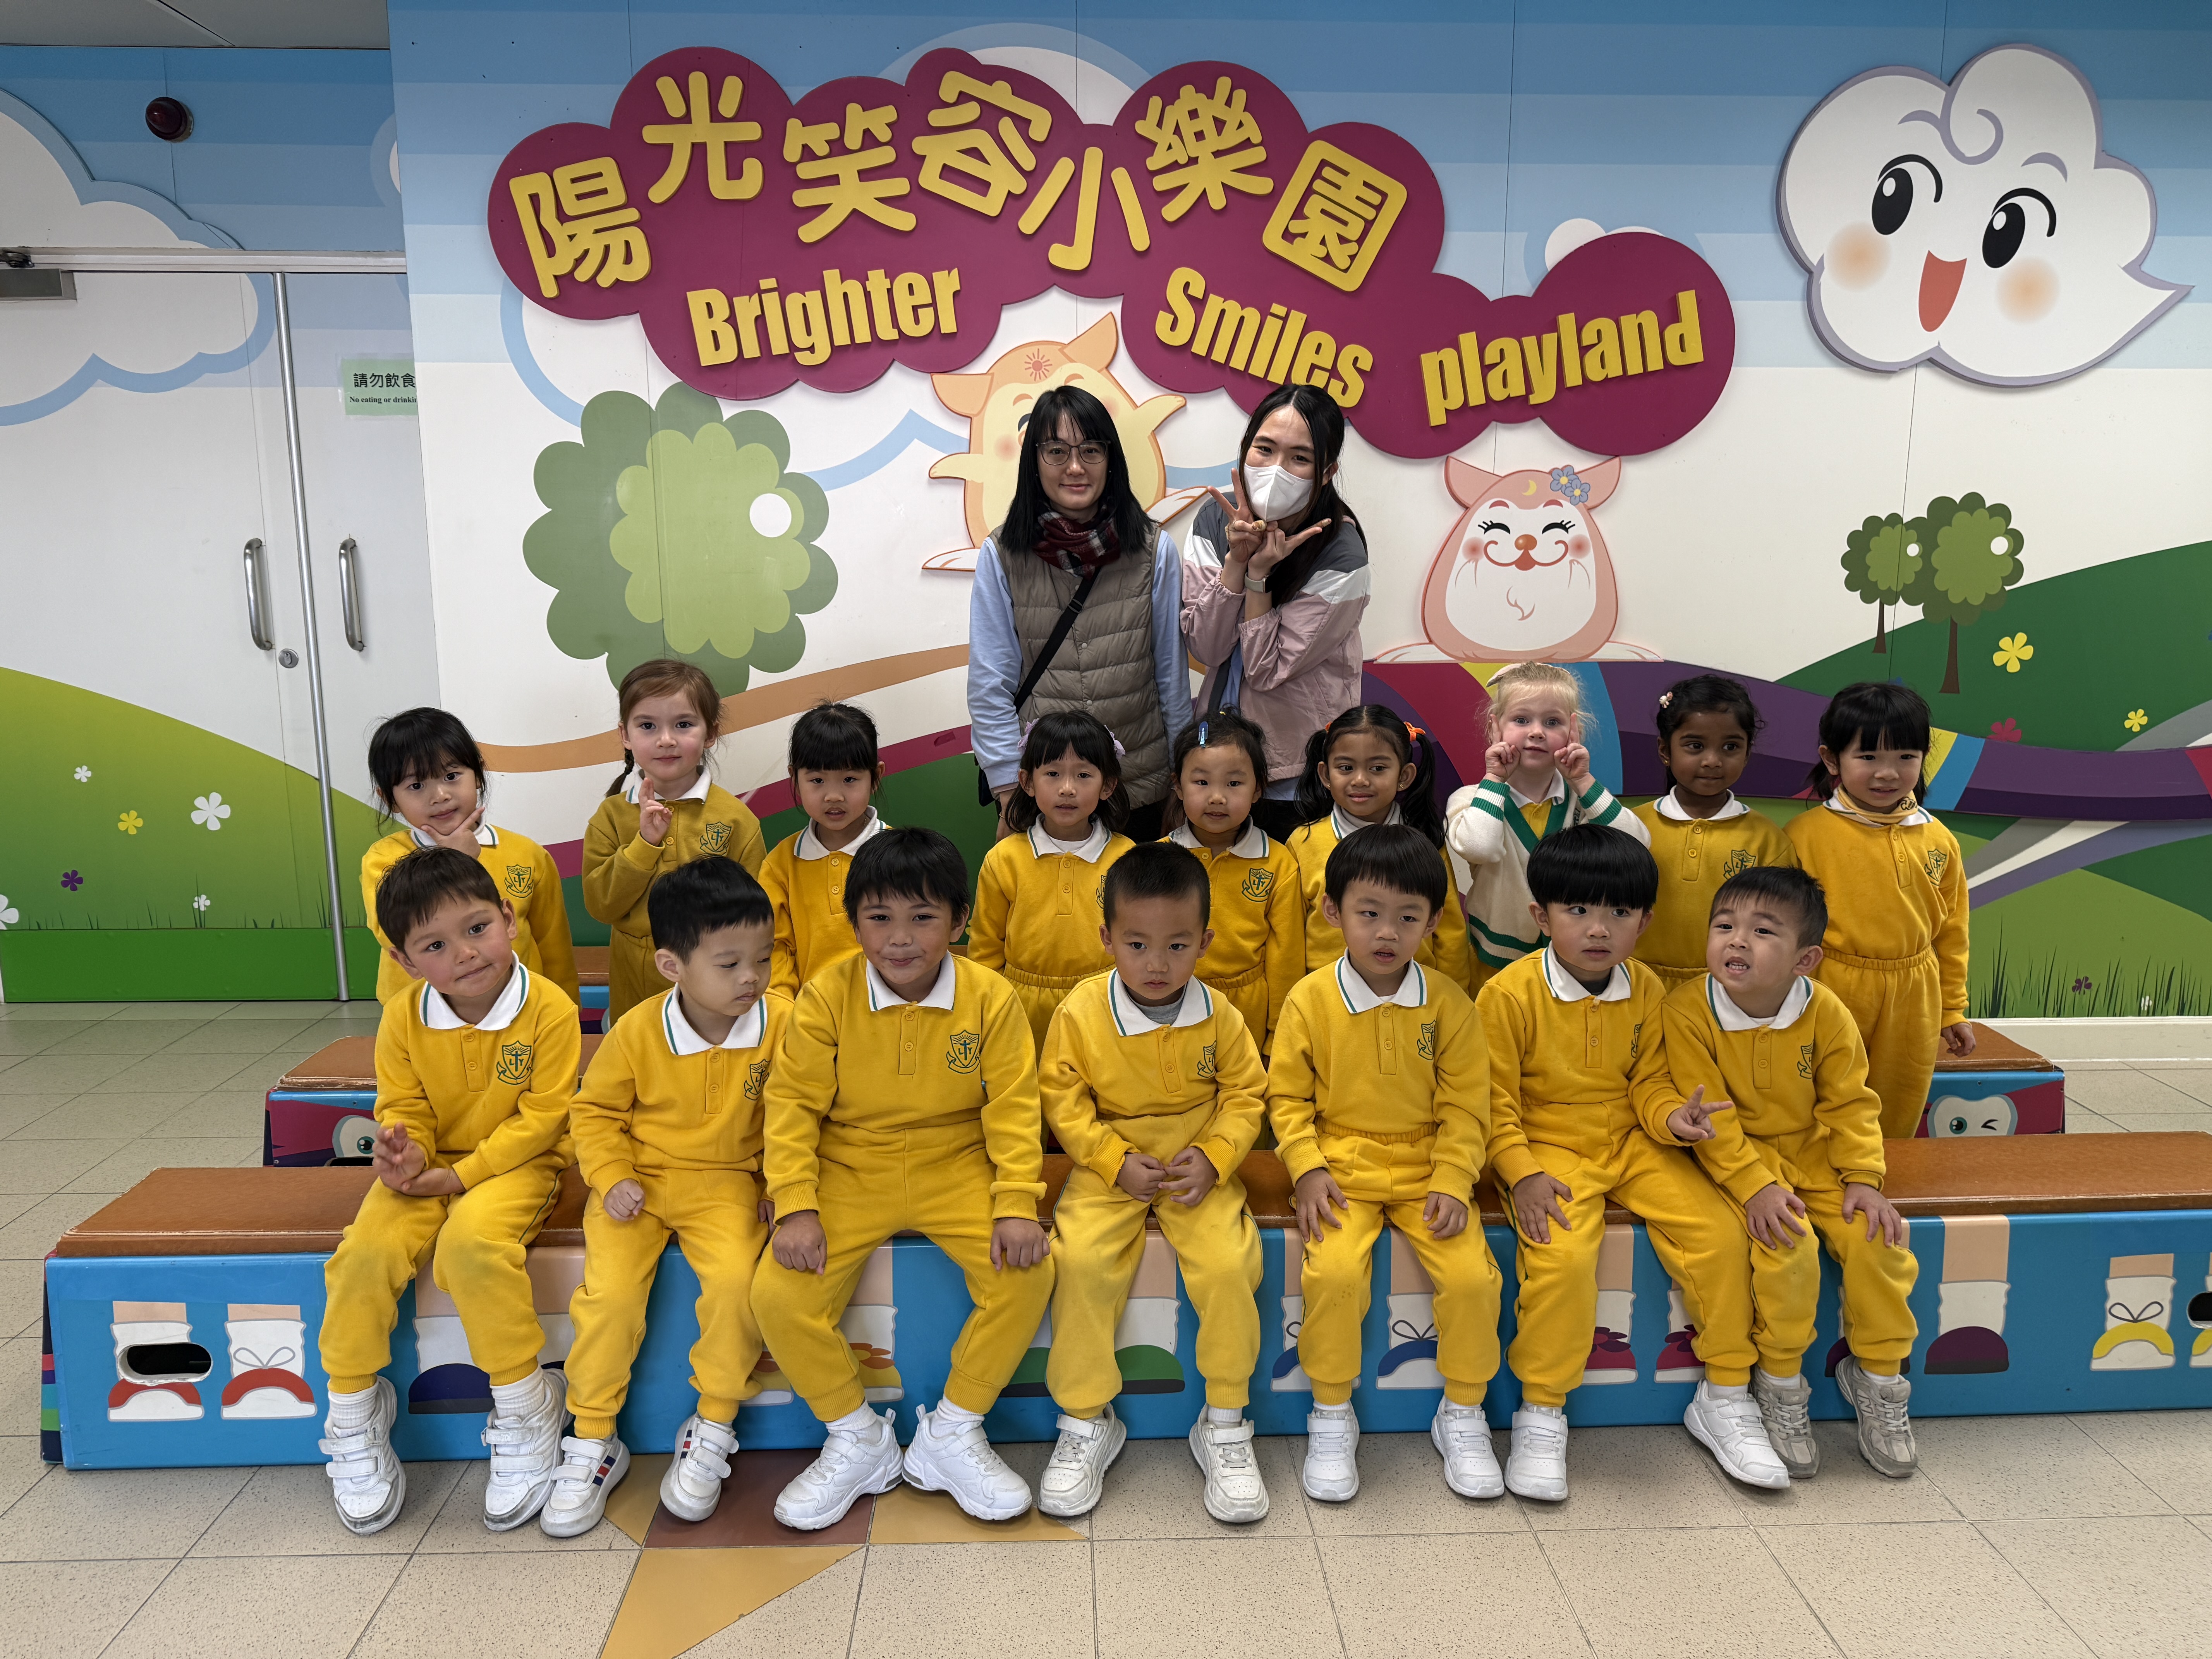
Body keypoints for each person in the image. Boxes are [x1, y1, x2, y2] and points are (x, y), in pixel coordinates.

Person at [750, 828, 1055, 1528]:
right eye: (879, 917)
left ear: (959, 919)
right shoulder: (826, 995)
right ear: (854, 921)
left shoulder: (991, 995)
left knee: (1029, 1272)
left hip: (959, 1162)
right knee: (777, 1294)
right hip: (851, 1165)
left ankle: (953, 1431)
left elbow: (1015, 1107)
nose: (900, 938)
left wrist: (1016, 1201)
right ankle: (858, 1438)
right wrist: (795, 1203)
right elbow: (791, 1105)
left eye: (923, 917)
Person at [1479, 825, 1789, 1501]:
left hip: (1633, 1141)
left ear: (1645, 921)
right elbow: (1492, 1103)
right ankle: (1542, 1410)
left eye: (1619, 912)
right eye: (1578, 909)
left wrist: (1673, 1119)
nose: (1599, 928)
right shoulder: (1507, 995)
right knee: (1561, 1258)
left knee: (1720, 1232)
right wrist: (1521, 1172)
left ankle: (1726, 1393)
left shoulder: (1647, 988)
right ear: (1541, 916)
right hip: (1546, 1145)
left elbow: (1650, 1081)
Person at [316, 848, 577, 1535]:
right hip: (431, 1167)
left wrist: (462, 1176)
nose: (464, 953)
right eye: (434, 945)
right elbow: (404, 1104)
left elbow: (544, 1118)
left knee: (471, 1249)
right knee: (363, 1253)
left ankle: (526, 1402)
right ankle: (353, 1409)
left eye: (477, 928)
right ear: (404, 961)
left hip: (520, 1164)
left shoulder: (549, 1008)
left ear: (509, 919)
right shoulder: (403, 1017)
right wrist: (405, 1153)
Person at [542, 858, 793, 1537]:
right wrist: (612, 1175)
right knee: (609, 1299)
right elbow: (594, 1113)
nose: (751, 977)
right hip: (638, 1187)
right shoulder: (637, 1030)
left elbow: (799, 1115)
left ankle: (713, 1421)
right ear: (671, 965)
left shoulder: (784, 1023)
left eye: (763, 958)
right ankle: (593, 1435)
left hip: (728, 1184)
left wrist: (781, 1185)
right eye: (729, 963)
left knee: (739, 1287)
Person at [1035, 843, 1270, 1522]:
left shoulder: (1220, 1014)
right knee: (1081, 1264)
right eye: (1137, 944)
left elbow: (1246, 1095)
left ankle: (1224, 1420)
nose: (1157, 963)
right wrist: (1111, 1159)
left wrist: (1216, 1156)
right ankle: (1085, 1419)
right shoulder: (1081, 1011)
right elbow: (1063, 1101)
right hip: (1109, 1170)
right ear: (1107, 938)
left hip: (1196, 1169)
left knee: (1229, 1266)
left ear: (1206, 942)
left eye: (1177, 945)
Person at [1267, 824, 1503, 1503]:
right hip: (1340, 1163)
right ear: (1332, 911)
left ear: (1433, 922)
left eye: (1407, 917)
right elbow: (1285, 1098)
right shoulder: (1310, 999)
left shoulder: (1450, 1003)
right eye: (1368, 913)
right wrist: (1307, 1168)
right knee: (1334, 1273)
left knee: (1472, 1279)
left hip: (1429, 1165)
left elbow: (1469, 1106)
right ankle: (1331, 1411)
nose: (1386, 933)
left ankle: (1463, 1409)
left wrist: (1454, 1178)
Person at [1663, 866, 1920, 1480]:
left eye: (1762, 931)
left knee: (1879, 1239)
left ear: (1805, 959)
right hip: (1740, 1165)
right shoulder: (1687, 1010)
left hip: (1816, 1157)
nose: (1737, 940)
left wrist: (1864, 1179)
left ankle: (1879, 1376)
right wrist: (1756, 1187)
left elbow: (1852, 1104)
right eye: (1724, 926)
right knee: (1788, 1248)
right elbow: (1715, 1120)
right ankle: (1779, 1383)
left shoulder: (1826, 1013)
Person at [967, 385, 1187, 843]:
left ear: (1111, 459)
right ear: (1034, 461)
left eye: (1090, 450)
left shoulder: (1154, 550)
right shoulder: (1002, 554)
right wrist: (1008, 791)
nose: (1074, 467)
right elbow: (991, 684)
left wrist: (1181, 780)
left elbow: (1171, 677)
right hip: (1047, 797)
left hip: (1138, 789)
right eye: (1056, 451)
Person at [1182, 385, 1369, 842]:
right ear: (1246, 448)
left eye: (1300, 458)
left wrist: (1258, 577)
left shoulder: (1341, 553)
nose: (1276, 469)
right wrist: (1235, 561)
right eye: (1264, 449)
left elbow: (1266, 670)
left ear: (1327, 472)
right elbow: (1206, 647)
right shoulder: (1215, 520)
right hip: (1219, 759)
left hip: (1294, 769)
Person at [1789, 681, 1973, 1139]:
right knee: (1822, 1099)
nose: (1887, 773)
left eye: (1906, 756)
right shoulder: (1803, 836)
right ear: (1832, 759)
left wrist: (1952, 1010)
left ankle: (1885, 1176)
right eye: (1868, 757)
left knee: (1898, 1106)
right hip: (1829, 985)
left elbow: (1952, 933)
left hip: (1914, 995)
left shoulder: (1939, 839)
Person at [583, 658, 766, 1025]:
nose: (666, 740)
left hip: (716, 986)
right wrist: (644, 845)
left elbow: (756, 916)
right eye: (647, 726)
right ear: (625, 735)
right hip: (635, 986)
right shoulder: (611, 816)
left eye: (683, 724)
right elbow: (601, 906)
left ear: (711, 733)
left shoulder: (736, 820)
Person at [1445, 662, 1647, 993]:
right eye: (1521, 720)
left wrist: (1583, 780)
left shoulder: (1585, 800)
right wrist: (1495, 778)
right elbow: (1480, 848)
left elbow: (1636, 846)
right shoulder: (1470, 799)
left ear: (1573, 731)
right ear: (1495, 729)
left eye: (1553, 722)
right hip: (1495, 960)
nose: (1537, 732)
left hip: (1574, 962)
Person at [359, 707, 577, 1007]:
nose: (440, 796)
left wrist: (566, 1007)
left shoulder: (528, 854)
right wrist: (455, 861)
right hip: (422, 1012)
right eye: (416, 786)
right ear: (390, 799)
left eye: (451, 776)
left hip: (519, 1010)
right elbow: (392, 934)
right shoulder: (383, 859)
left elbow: (554, 947)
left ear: (477, 774)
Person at [967, 711, 1135, 1051]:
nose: (1067, 789)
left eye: (1084, 775)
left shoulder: (1126, 857)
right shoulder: (1004, 860)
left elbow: (1137, 940)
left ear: (1108, 786)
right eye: (1053, 774)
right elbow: (985, 946)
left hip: (1105, 1003)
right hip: (1020, 1007)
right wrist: (987, 1009)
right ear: (1027, 782)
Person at [1290, 704, 1473, 988]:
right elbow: (1290, 931)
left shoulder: (1426, 840)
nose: (1360, 780)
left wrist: (1454, 996)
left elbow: (1450, 930)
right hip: (1328, 995)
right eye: (1346, 768)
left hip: (1415, 993)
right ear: (1325, 775)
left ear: (1404, 776)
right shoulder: (1304, 842)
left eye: (1378, 768)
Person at [1631, 675, 1796, 990]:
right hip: (1634, 984)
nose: (1712, 761)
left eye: (1730, 747)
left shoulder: (1768, 841)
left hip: (1728, 988)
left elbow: (1778, 927)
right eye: (1695, 746)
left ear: (1747, 754)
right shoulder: (1631, 828)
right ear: (1665, 750)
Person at [1161, 709, 1305, 1053]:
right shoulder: (1156, 859)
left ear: (1258, 790)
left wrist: (1279, 1037)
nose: (1217, 797)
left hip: (1248, 1011)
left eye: (1234, 783)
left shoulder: (1279, 864)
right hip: (1170, 1004)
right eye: (1202, 782)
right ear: (1178, 786)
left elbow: (1286, 960)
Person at [757, 701, 888, 999]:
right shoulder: (780, 865)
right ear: (795, 779)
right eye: (817, 780)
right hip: (808, 1014)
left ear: (876, 777)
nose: (833, 796)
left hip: (887, 1012)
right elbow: (774, 948)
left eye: (850, 779)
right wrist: (785, 1009)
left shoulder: (900, 857)